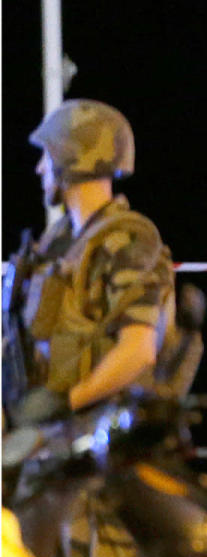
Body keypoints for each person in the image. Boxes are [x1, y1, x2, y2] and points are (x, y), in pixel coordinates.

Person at [7, 99, 175, 423]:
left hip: (95, 430)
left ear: (71, 157)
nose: (40, 168)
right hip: (45, 423)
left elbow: (139, 350)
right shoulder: (57, 240)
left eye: (47, 155)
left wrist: (66, 404)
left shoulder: (128, 239)